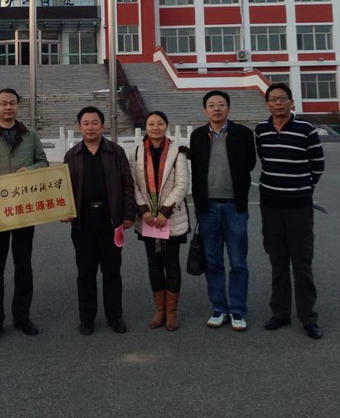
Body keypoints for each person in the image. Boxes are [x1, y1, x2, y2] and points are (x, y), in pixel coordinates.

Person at [0, 88, 48, 342]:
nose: (8, 107)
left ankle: (22, 317)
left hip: (24, 211)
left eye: (12, 103)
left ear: (18, 106)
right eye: (3, 103)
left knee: (23, 266)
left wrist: (31, 169)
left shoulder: (30, 135)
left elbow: (44, 163)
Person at [255, 83, 324, 340]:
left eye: (282, 98)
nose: (278, 103)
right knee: (278, 261)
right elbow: (264, 158)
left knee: (302, 262)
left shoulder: (306, 129)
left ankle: (308, 317)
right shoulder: (261, 130)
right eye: (273, 99)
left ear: (291, 102)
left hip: (299, 207)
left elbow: (318, 164)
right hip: (271, 206)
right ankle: (280, 313)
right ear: (267, 104)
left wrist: (303, 188)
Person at [63, 106, 136, 335]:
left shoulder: (115, 152)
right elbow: (64, 188)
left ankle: (115, 316)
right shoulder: (72, 155)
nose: (90, 127)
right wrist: (64, 210)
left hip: (110, 221)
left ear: (103, 126)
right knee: (85, 273)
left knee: (112, 272)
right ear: (79, 127)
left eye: (95, 123)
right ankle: (87, 318)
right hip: (83, 223)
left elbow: (127, 185)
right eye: (85, 123)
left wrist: (128, 215)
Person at [190, 90, 256, 331]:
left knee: (238, 261)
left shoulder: (243, 134)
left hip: (235, 207)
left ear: (228, 108)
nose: (216, 108)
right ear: (205, 110)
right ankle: (218, 308)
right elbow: (196, 169)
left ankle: (237, 310)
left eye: (220, 104)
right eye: (211, 105)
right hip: (208, 207)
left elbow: (250, 163)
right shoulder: (198, 135)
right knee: (213, 261)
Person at [129, 111, 189, 331]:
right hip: (147, 218)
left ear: (166, 126)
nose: (155, 127)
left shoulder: (177, 151)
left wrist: (164, 212)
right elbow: (132, 184)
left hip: (171, 217)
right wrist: (144, 211)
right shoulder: (136, 152)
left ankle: (172, 311)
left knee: (171, 264)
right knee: (154, 265)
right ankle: (160, 309)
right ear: (145, 127)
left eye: (160, 123)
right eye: (151, 124)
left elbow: (182, 184)